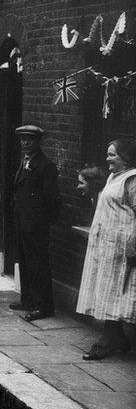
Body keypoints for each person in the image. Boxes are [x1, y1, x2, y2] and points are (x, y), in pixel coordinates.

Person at [76, 138, 136, 360]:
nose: (107, 158)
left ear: (125, 158)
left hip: (121, 246)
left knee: (114, 289)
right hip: (105, 244)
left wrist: (133, 243)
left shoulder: (132, 179)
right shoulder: (113, 176)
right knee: (106, 288)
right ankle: (117, 337)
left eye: (112, 155)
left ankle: (108, 340)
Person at [10, 125, 61, 322]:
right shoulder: (24, 161)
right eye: (23, 139)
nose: (25, 142)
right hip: (22, 221)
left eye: (30, 139)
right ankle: (28, 300)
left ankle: (44, 306)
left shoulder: (45, 166)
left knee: (38, 265)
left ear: (38, 141)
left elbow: (52, 199)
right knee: (24, 261)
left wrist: (42, 222)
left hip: (36, 225)